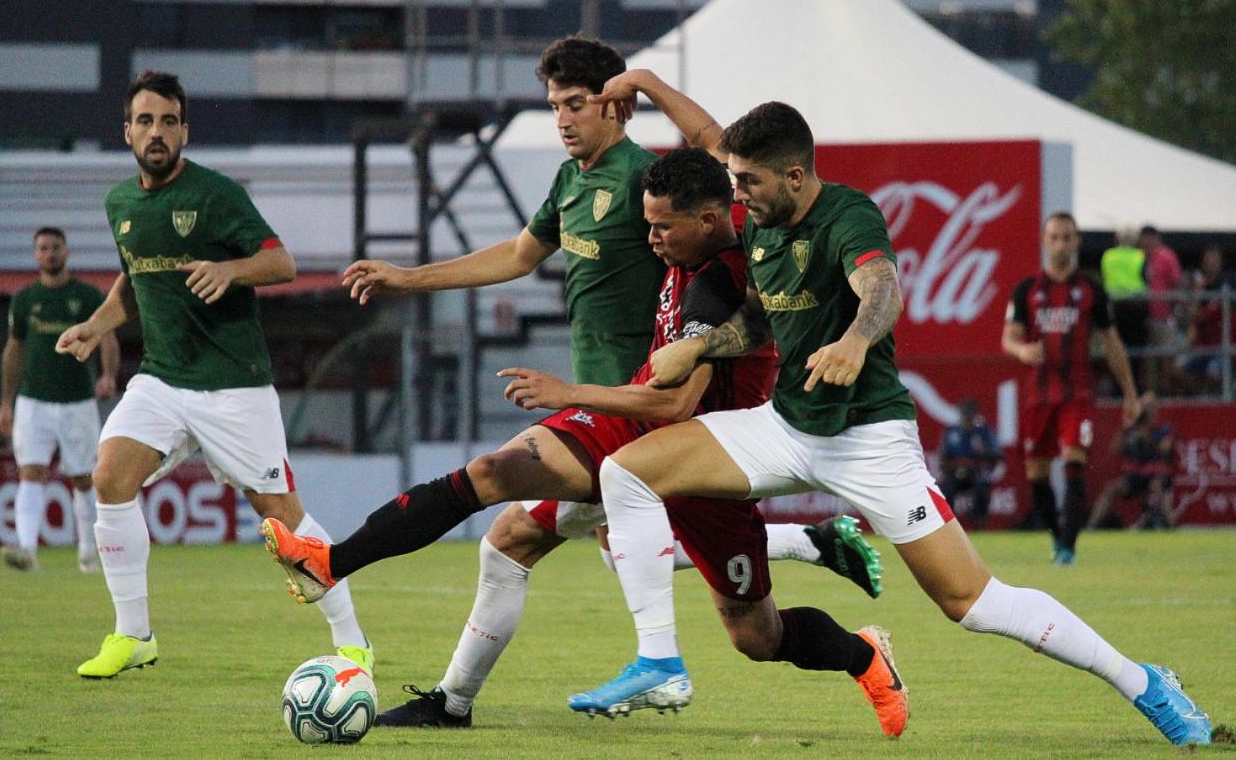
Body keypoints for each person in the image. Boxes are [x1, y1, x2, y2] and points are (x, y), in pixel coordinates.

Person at [572, 76, 1211, 747]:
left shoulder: (848, 215)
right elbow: (760, 324)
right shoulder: (759, 228)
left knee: (974, 604)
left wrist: (854, 338)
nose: (738, 195)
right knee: (627, 473)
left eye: (748, 182)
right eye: (733, 182)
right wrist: (705, 345)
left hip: (869, 438)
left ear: (794, 175)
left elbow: (882, 287)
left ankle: (1144, 682)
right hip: (786, 428)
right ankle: (660, 663)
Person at [260, 148, 890, 730]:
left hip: (702, 459)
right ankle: (350, 585)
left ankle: (862, 655)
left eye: (661, 227)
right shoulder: (680, 244)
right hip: (628, 429)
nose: (649, 238)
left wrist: (567, 394)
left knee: (757, 637)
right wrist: (642, 81)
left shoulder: (720, 285)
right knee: (501, 498)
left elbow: (674, 403)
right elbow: (712, 145)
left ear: (707, 218)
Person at [53, 71, 371, 678]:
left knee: (281, 517)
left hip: (235, 384)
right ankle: (133, 635)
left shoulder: (216, 195)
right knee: (109, 478)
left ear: (184, 131)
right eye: (145, 121)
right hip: (163, 380)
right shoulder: (120, 203)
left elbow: (282, 262)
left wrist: (231, 272)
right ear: (127, 132)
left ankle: (352, 639)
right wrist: (97, 325)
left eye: (168, 122)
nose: (157, 132)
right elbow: (135, 281)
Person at [343, 35, 665, 390]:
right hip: (591, 395)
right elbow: (518, 255)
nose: (562, 120)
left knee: (508, 451)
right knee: (504, 451)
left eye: (575, 105)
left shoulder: (644, 176)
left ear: (613, 105)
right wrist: (408, 279)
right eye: (555, 107)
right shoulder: (570, 177)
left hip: (640, 396)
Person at [1003, 212, 1141, 566]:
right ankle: (1057, 537)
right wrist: (1023, 350)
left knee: (1075, 463)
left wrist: (1130, 394)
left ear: (1077, 241)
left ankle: (1068, 547)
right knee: (1037, 476)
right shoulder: (1026, 290)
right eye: (1055, 237)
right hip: (1038, 396)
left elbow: (1112, 344)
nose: (1062, 243)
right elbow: (1009, 339)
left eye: (1068, 237)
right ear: (1045, 241)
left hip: (1076, 395)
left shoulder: (1090, 290)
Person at [0, 226, 120, 573]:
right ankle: (27, 550)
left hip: (77, 400)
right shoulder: (24, 299)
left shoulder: (88, 295)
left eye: (55, 247)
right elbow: (14, 349)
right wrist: (6, 402)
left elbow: (107, 339)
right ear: (35, 255)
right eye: (43, 248)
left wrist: (108, 375)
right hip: (33, 401)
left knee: (83, 477)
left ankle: (87, 553)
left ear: (67, 252)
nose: (50, 253)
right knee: (30, 471)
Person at [1088, 394, 1177, 531]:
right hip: (1134, 477)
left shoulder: (1164, 429)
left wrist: (1145, 434)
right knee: (1110, 489)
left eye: (1152, 407)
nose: (1149, 411)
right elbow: (1114, 449)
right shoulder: (1131, 428)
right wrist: (1124, 427)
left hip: (1156, 475)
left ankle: (1170, 525)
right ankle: (1091, 526)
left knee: (1157, 487)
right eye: (1146, 407)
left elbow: (1165, 449)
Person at [1182, 245, 1236, 396]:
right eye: (1208, 261)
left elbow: (1202, 314)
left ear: (1220, 262)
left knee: (1213, 370)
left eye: (1214, 260)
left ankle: (1222, 398)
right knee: (1180, 368)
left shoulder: (1228, 283)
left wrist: (1196, 298)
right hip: (1205, 346)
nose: (1211, 264)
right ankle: (1202, 395)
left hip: (1225, 347)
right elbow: (1194, 318)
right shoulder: (1203, 287)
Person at [937, 399, 1001, 528]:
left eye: (970, 415)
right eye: (965, 415)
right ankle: (948, 525)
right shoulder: (952, 432)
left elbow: (996, 454)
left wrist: (984, 452)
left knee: (981, 490)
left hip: (975, 473)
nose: (967, 418)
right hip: (955, 472)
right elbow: (943, 455)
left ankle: (980, 522)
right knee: (947, 491)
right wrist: (951, 466)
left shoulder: (983, 432)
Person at [1099, 230, 1147, 392]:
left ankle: (1117, 389)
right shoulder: (1139, 255)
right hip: (1135, 309)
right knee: (1135, 351)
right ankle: (1133, 388)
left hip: (1115, 308)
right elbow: (1146, 279)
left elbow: (1105, 278)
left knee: (1117, 348)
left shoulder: (1108, 255)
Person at [1138, 226, 1184, 394]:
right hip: (1145, 319)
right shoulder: (1142, 258)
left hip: (1163, 319)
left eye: (1146, 239)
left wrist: (1174, 310)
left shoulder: (1166, 256)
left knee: (1166, 361)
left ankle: (1170, 397)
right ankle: (1151, 397)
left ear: (1153, 238)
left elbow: (1176, 283)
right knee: (1148, 363)